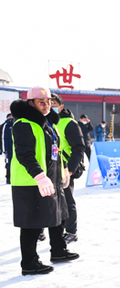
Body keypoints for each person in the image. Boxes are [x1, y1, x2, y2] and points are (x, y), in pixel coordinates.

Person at [11, 86, 79, 275]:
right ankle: (29, 262)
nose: (46, 105)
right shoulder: (24, 124)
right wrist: (40, 176)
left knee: (58, 215)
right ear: (31, 103)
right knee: (32, 222)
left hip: (53, 177)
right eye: (42, 102)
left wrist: (63, 170)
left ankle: (58, 250)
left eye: (49, 101)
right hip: (31, 181)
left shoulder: (49, 123)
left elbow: (55, 150)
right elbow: (25, 155)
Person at [51, 93, 86, 244]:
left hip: (64, 169)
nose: (50, 107)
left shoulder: (69, 123)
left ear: (61, 107)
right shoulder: (45, 123)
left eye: (54, 104)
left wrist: (70, 170)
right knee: (50, 202)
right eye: (47, 103)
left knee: (67, 201)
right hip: (49, 170)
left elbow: (78, 148)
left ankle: (71, 232)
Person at [2, 113, 13, 184]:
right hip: (8, 148)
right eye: (9, 117)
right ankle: (8, 178)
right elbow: (4, 138)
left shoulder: (16, 123)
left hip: (16, 147)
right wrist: (4, 149)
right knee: (8, 163)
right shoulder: (7, 125)